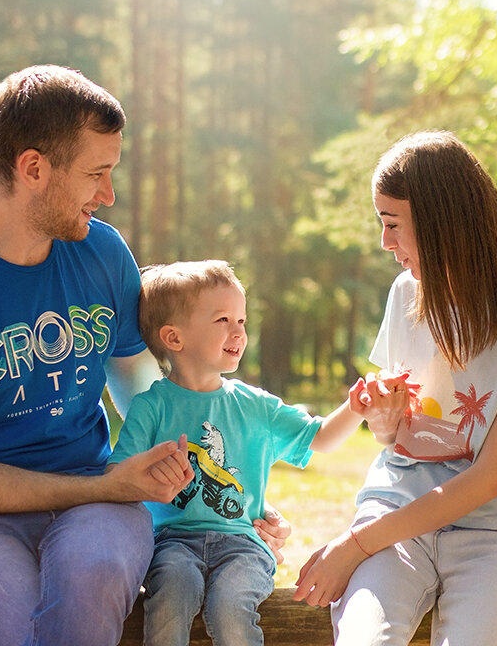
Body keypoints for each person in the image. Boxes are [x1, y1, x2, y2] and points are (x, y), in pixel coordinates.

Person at [0, 65, 287, 646]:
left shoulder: (101, 252)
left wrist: (230, 507)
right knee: (29, 629)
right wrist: (103, 487)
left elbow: (152, 399)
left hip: (93, 508)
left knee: (93, 577)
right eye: (96, 174)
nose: (108, 195)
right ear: (33, 169)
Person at [292, 130, 497, 646]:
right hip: (396, 512)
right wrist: (385, 422)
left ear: (442, 220)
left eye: (392, 224)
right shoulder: (405, 291)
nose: (385, 243)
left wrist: (354, 546)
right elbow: (402, 438)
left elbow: (488, 478)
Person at [109, 260, 411, 646]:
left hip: (243, 545)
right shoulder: (151, 407)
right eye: (222, 320)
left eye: (242, 321)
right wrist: (151, 476)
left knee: (231, 605)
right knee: (172, 590)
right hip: (172, 541)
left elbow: (318, 437)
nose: (238, 332)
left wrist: (356, 406)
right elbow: (119, 475)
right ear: (174, 337)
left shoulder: (255, 405)